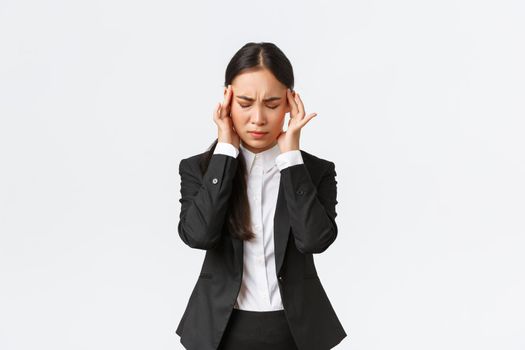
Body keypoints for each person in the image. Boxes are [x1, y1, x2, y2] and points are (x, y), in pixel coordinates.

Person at [175, 42, 347, 350]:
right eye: (244, 103)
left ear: (290, 103)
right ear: (226, 101)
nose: (257, 118)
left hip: (296, 332)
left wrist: (291, 159)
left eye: (271, 104)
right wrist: (226, 150)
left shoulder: (314, 171)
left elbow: (314, 240)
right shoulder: (199, 170)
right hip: (220, 331)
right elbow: (198, 235)